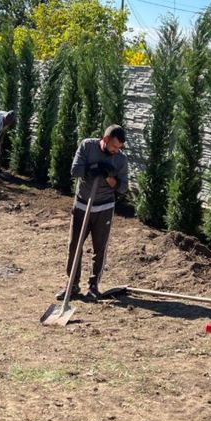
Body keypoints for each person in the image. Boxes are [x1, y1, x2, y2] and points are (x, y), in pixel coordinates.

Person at [56, 125, 129, 302]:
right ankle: (72, 285)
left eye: (119, 147)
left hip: (104, 208)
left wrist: (109, 177)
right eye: (114, 146)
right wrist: (92, 168)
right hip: (82, 205)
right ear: (105, 139)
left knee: (99, 248)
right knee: (74, 245)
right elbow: (75, 170)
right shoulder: (87, 146)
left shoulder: (120, 159)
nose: (116, 150)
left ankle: (94, 286)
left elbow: (122, 188)